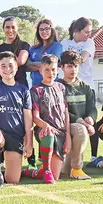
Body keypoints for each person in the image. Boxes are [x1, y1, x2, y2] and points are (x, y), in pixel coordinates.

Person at [0, 52, 33, 187]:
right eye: (3, 66)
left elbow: (28, 118)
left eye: (10, 65)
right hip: (0, 133)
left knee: (13, 179)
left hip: (16, 136)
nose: (7, 69)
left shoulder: (23, 90)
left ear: (16, 67)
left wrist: (29, 141)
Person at [27, 55, 70, 183]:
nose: (50, 73)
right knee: (48, 134)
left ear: (57, 70)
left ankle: (30, 172)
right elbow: (35, 117)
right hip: (44, 130)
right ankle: (45, 170)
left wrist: (68, 137)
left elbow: (66, 113)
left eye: (53, 69)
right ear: (40, 71)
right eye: (47, 70)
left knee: (56, 175)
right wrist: (46, 126)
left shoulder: (61, 87)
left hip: (61, 132)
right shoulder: (36, 90)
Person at [58, 50, 96, 180]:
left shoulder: (85, 87)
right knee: (81, 130)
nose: (73, 69)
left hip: (81, 123)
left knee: (63, 172)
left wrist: (91, 118)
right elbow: (61, 111)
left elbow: (92, 107)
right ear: (62, 67)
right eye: (69, 66)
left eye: (75, 66)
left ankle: (68, 167)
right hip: (63, 124)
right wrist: (81, 121)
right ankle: (77, 168)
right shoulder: (58, 86)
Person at [26, 18, 64, 87]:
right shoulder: (33, 48)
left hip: (51, 86)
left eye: (47, 29)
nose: (44, 31)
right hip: (35, 87)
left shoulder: (57, 46)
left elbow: (52, 64)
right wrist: (43, 66)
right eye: (41, 29)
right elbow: (27, 66)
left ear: (51, 30)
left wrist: (33, 65)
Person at [0, 17, 31, 87]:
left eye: (13, 27)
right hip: (1, 85)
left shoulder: (24, 45)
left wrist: (3, 64)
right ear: (3, 29)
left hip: (20, 86)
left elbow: (21, 61)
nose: (10, 30)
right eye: (7, 27)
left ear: (17, 29)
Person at [61, 18, 96, 85]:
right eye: (86, 32)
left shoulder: (89, 42)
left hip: (85, 85)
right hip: (66, 85)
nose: (89, 35)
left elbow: (82, 59)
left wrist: (68, 60)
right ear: (77, 30)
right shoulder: (64, 43)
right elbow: (60, 61)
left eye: (90, 32)